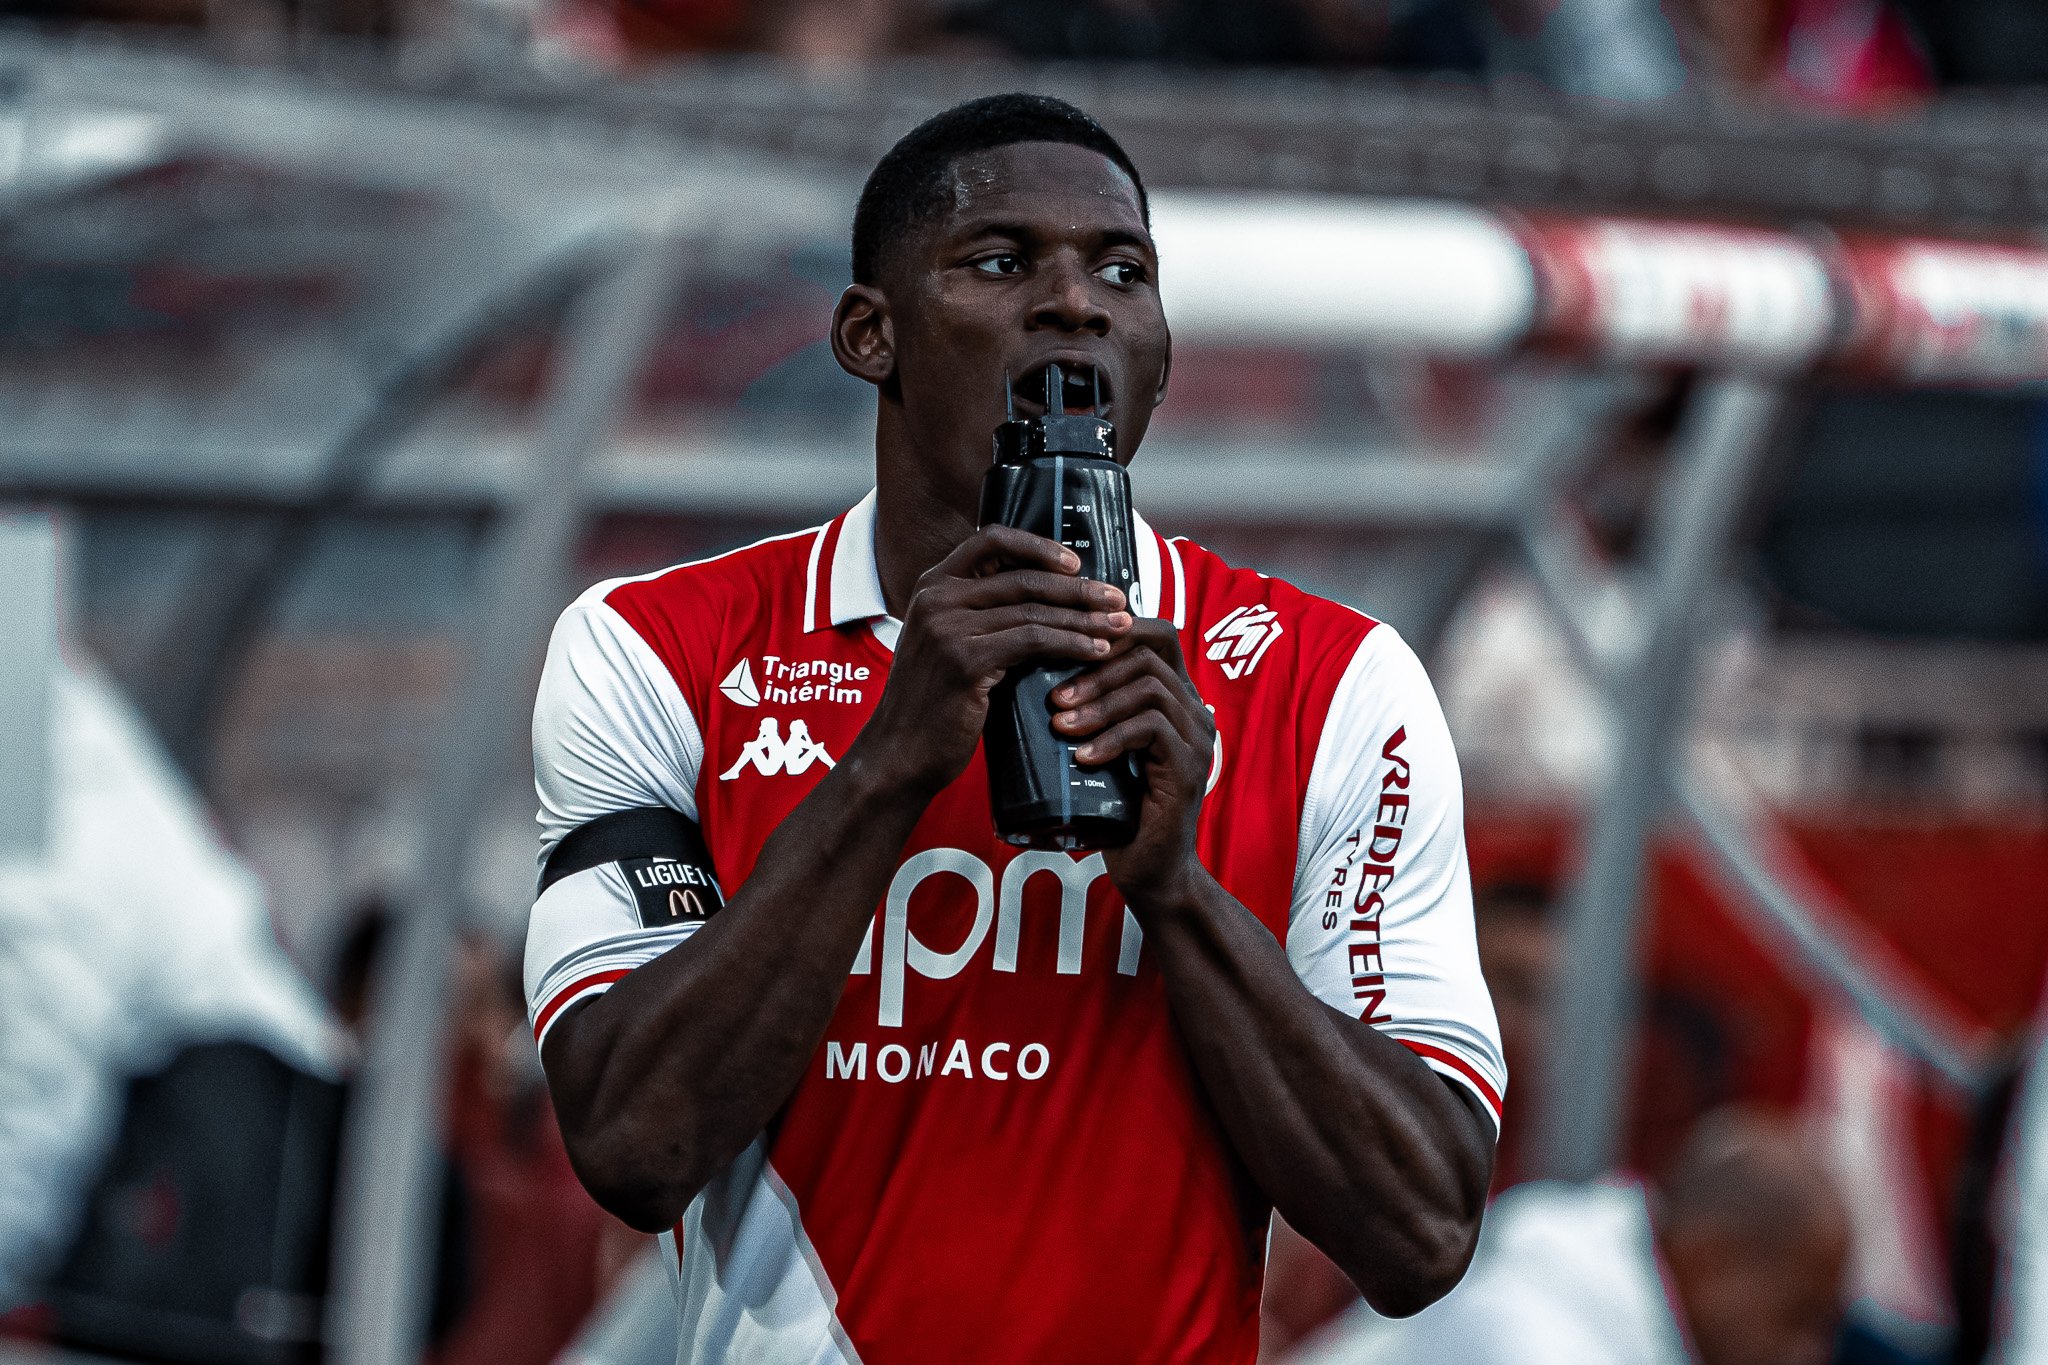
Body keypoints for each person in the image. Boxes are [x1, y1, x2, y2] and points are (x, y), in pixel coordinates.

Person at [522, 93, 1503, 1362]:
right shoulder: (655, 646)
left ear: (1157, 348)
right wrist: (889, 766)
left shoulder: (1335, 682)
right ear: (869, 336)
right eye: (999, 261)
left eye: (1121, 271)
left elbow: (1420, 1232)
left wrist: (1178, 896)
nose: (1073, 303)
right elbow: (631, 1142)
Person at [1297, 1109, 1850, 1365]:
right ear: (1708, 1260)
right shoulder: (1538, 1333)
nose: (1810, 1355)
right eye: (1798, 1316)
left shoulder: (1576, 1260)